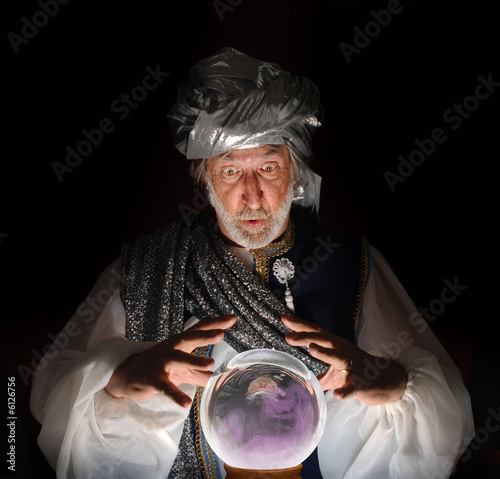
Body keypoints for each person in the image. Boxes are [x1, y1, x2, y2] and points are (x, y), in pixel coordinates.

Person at [30, 47, 474, 479]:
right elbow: (52, 397)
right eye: (229, 171)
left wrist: (391, 382)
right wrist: (119, 377)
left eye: (267, 167)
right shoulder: (147, 265)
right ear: (203, 177)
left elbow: (438, 417)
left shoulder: (350, 264)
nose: (252, 196)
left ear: (295, 171)